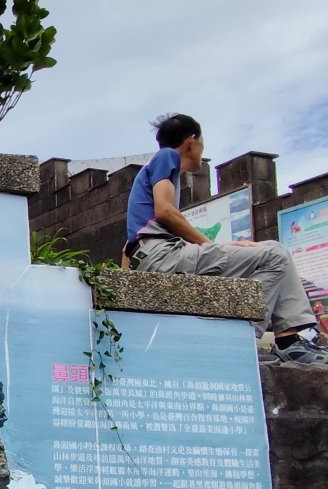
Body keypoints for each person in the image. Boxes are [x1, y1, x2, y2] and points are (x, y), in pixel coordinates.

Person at [124, 113, 327, 366]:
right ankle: (270, 342)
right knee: (276, 256)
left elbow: (130, 246)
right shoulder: (167, 157)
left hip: (158, 255)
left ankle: (278, 339)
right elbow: (164, 211)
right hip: (164, 255)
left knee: (271, 249)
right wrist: (210, 246)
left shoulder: (154, 172)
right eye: (202, 143)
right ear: (192, 141)